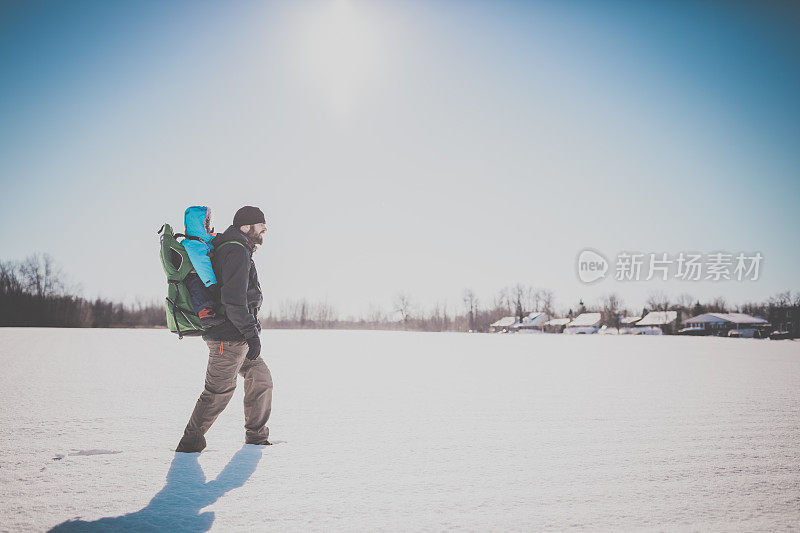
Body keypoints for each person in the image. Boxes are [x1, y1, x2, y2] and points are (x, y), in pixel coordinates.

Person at [176, 206, 272, 453]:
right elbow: (232, 299)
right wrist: (251, 333)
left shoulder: (237, 248)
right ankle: (189, 445)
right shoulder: (235, 250)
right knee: (218, 392)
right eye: (260, 225)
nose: (264, 229)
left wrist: (250, 331)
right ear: (245, 227)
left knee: (260, 378)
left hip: (237, 335)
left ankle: (256, 439)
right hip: (228, 338)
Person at [181, 205, 224, 329]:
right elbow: (202, 263)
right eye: (206, 224)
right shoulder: (193, 244)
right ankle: (205, 314)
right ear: (199, 225)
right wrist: (211, 283)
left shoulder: (200, 242)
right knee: (200, 291)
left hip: (201, 276)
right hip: (197, 276)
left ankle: (208, 312)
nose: (209, 228)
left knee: (203, 291)